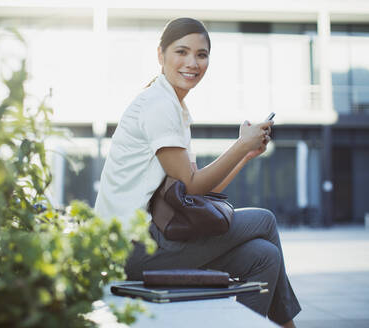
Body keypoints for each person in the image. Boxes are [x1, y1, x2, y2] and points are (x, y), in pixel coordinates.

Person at [94, 17, 301, 327]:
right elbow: (190, 187)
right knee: (264, 219)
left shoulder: (175, 108)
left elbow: (195, 191)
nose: (192, 62)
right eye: (182, 52)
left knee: (264, 256)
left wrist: (244, 154)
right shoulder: (158, 105)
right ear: (160, 55)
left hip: (155, 240)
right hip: (132, 247)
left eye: (201, 55)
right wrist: (240, 146)